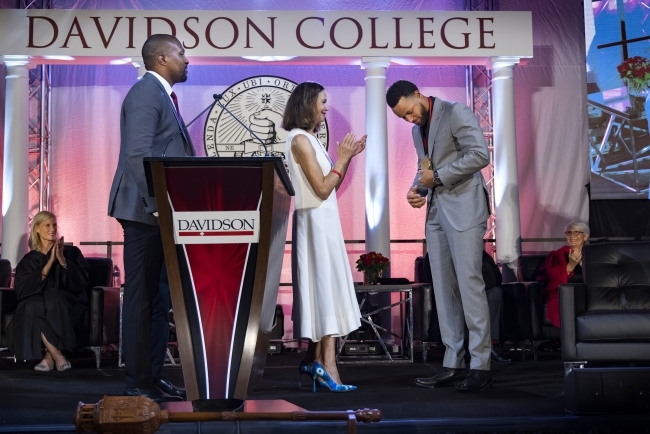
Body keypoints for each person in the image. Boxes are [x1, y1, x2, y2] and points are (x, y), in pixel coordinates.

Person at [386, 80, 492, 392]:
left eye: (410, 112)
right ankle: (451, 362)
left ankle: (481, 365)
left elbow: (480, 155)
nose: (409, 119)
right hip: (436, 212)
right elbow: (427, 168)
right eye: (403, 117)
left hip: (465, 208)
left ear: (418, 95)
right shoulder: (416, 130)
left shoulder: (456, 112)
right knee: (444, 290)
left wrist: (439, 177)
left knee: (469, 285)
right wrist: (418, 189)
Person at [107, 34, 194, 402]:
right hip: (145, 213)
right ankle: (137, 384)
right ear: (161, 58)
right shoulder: (146, 92)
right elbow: (137, 153)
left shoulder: (162, 96)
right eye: (181, 54)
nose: (187, 60)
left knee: (158, 301)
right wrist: (157, 204)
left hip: (158, 213)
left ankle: (152, 377)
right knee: (142, 298)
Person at [284, 81, 366, 392]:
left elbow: (325, 186)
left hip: (324, 221)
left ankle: (311, 360)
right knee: (325, 290)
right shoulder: (299, 140)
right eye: (322, 102)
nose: (326, 108)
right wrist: (343, 159)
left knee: (324, 289)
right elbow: (320, 188)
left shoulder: (310, 140)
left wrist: (349, 156)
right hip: (314, 223)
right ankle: (328, 365)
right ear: (307, 105)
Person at [9, 211, 89, 372]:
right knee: (31, 304)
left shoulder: (71, 253)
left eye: (54, 225)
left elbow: (81, 283)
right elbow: (23, 290)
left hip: (67, 302)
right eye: (47, 225)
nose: (52, 229)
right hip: (38, 302)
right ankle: (56, 355)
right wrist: (51, 261)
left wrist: (62, 261)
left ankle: (49, 357)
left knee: (52, 299)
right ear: (37, 228)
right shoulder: (29, 260)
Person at [537, 221, 590, 329]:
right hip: (563, 292)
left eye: (577, 233)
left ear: (585, 236)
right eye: (569, 233)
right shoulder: (557, 255)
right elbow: (549, 278)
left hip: (588, 291)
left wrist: (582, 264)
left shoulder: (593, 254)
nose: (572, 236)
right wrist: (570, 265)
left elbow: (600, 277)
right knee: (560, 302)